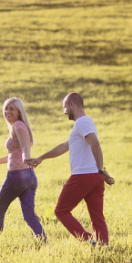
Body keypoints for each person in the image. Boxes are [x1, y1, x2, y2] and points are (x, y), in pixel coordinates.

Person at [29, 92, 115, 244]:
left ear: (72, 105)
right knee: (97, 217)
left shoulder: (82, 123)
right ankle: (104, 247)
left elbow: (95, 143)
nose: (64, 112)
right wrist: (41, 157)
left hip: (83, 176)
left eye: (65, 108)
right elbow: (65, 146)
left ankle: (88, 240)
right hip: (94, 177)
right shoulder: (85, 124)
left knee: (61, 211)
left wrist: (101, 169)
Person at [0, 98, 46, 241]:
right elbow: (13, 155)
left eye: (12, 109)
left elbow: (24, 148)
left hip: (17, 176)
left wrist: (27, 156)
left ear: (19, 112)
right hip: (29, 176)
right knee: (28, 216)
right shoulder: (19, 126)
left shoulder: (18, 126)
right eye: (6, 108)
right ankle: (44, 241)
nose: (8, 111)